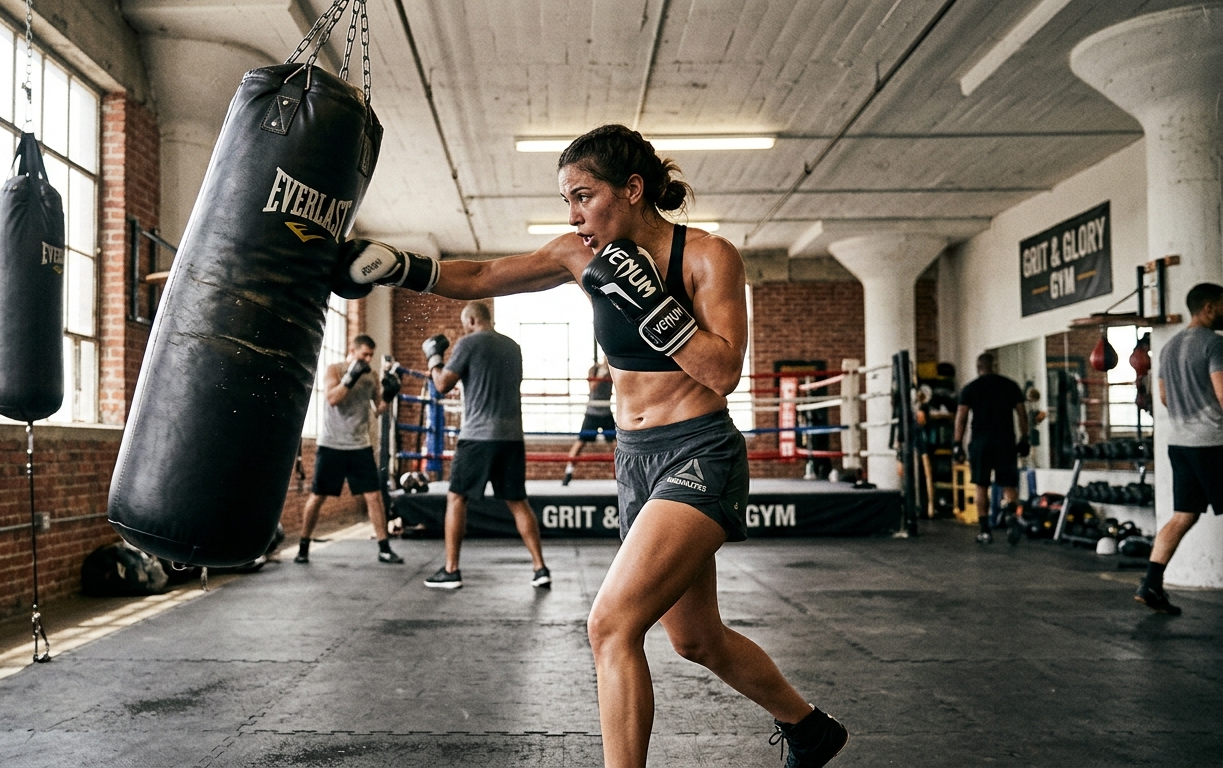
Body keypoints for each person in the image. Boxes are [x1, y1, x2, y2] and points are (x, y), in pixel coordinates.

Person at [340, 125, 846, 768]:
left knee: (610, 625)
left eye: (584, 196)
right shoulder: (582, 253)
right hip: (635, 459)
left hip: (698, 450)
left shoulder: (708, 257)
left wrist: (648, 306)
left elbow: (722, 372)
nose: (575, 215)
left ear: (633, 189)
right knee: (696, 638)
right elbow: (488, 274)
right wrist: (402, 268)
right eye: (566, 201)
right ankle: (808, 727)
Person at [421, 301, 551, 590]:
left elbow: (442, 384)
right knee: (518, 501)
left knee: (457, 498)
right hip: (512, 436)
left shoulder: (468, 343)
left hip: (478, 436)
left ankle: (451, 570)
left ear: (470, 320)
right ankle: (540, 568)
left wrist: (434, 358)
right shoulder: (513, 346)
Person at [1137, 282, 1223, 615]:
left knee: (1183, 515)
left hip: (1180, 444)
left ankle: (1151, 584)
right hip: (1213, 443)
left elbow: (1163, 397)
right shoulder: (1214, 345)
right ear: (1209, 308)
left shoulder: (1169, 347)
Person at [290, 335, 403, 565]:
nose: (368, 359)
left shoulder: (371, 376)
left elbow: (378, 409)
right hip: (332, 444)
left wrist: (389, 395)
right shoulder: (335, 370)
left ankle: (384, 548)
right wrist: (350, 377)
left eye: (371, 355)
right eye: (365, 355)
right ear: (352, 350)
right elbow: (332, 399)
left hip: (360, 445)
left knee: (374, 496)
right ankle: (303, 546)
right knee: (318, 496)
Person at [952, 352, 1030, 544]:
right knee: (1008, 485)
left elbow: (961, 418)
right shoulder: (1010, 385)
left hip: (981, 443)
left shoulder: (971, 388)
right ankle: (1012, 521)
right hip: (1005, 442)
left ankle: (985, 531)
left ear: (978, 367)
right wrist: (1025, 438)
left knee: (981, 486)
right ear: (995, 366)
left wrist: (957, 444)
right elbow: (1022, 415)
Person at [563, 357, 615, 485]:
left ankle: (622, 473)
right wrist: (601, 374)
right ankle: (568, 472)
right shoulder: (594, 369)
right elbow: (592, 387)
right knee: (580, 443)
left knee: (619, 444)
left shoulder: (613, 369)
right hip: (592, 412)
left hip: (606, 411)